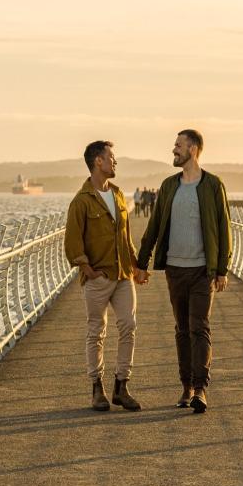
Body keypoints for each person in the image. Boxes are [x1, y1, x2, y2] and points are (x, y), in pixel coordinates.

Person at [136, 129, 232, 414]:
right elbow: (154, 226)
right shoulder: (168, 186)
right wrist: (142, 263)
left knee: (199, 327)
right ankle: (187, 387)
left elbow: (223, 227)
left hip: (203, 270)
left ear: (193, 149)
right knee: (181, 329)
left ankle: (201, 389)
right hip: (175, 270)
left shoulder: (213, 185)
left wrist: (222, 269)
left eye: (178, 145)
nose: (173, 150)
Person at [64, 141, 146, 412]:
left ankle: (121, 386)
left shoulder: (119, 194)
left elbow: (124, 236)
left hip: (122, 274)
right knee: (96, 332)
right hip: (99, 277)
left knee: (128, 326)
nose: (115, 161)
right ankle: (96, 389)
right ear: (98, 161)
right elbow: (73, 242)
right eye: (112, 157)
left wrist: (136, 266)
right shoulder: (81, 201)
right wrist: (88, 269)